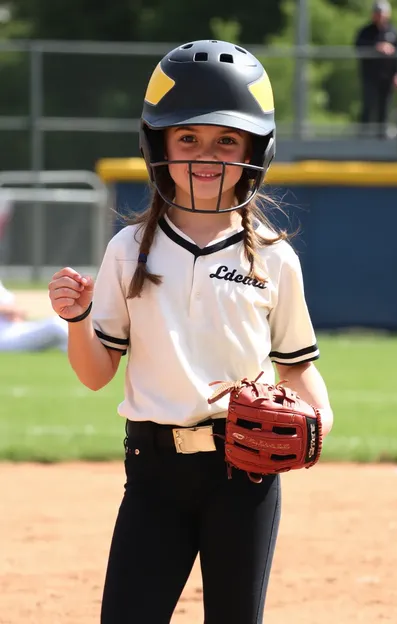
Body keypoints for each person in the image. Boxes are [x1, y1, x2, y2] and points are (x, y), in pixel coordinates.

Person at [48, 40, 334, 624]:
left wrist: (316, 423)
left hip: (245, 473)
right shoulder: (129, 251)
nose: (209, 155)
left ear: (257, 149)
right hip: (153, 473)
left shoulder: (274, 259)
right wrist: (78, 321)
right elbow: (97, 374)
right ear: (159, 145)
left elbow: (298, 368)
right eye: (188, 138)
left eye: (228, 139)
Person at [355, 0, 397, 137]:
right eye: (377, 13)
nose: (379, 16)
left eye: (382, 13)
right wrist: (377, 47)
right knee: (368, 105)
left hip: (387, 76)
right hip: (370, 76)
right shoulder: (366, 32)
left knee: (384, 107)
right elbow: (359, 47)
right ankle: (363, 137)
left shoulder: (393, 32)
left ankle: (382, 137)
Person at [0, 278, 67, 352]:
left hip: (16, 328)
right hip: (4, 336)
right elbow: (7, 308)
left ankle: (74, 350)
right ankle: (78, 351)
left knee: (61, 321)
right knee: (55, 325)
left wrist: (16, 313)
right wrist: (9, 310)